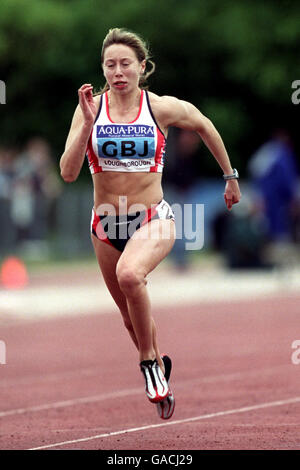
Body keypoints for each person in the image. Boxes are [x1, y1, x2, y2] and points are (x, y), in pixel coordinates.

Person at [59, 27, 241, 420]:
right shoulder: (90, 108)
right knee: (129, 316)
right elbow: (68, 173)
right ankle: (159, 365)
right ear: (103, 69)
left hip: (153, 218)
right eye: (110, 65)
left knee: (130, 276)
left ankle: (146, 363)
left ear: (142, 67)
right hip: (105, 225)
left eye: (126, 64)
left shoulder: (159, 107)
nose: (118, 71)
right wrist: (87, 126)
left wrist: (230, 177)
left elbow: (204, 124)